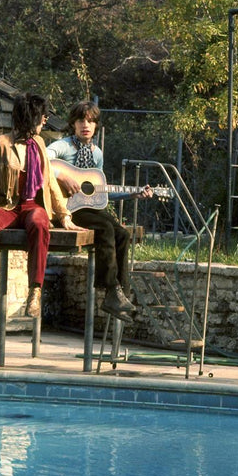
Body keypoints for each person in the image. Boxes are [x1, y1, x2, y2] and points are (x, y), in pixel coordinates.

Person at [0, 92, 84, 321]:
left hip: (32, 207)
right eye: (42, 115)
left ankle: (34, 293)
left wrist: (64, 216)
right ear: (29, 118)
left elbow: (49, 182)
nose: (45, 120)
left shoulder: (39, 144)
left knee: (40, 224)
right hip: (7, 207)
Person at [46, 100, 153, 323]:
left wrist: (132, 194)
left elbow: (97, 190)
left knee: (122, 233)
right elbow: (41, 159)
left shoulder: (97, 154)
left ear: (96, 126)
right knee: (105, 228)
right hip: (65, 210)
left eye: (91, 121)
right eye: (81, 120)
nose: (86, 125)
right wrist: (62, 175)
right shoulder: (63, 146)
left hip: (88, 207)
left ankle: (119, 294)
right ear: (73, 123)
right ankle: (112, 291)